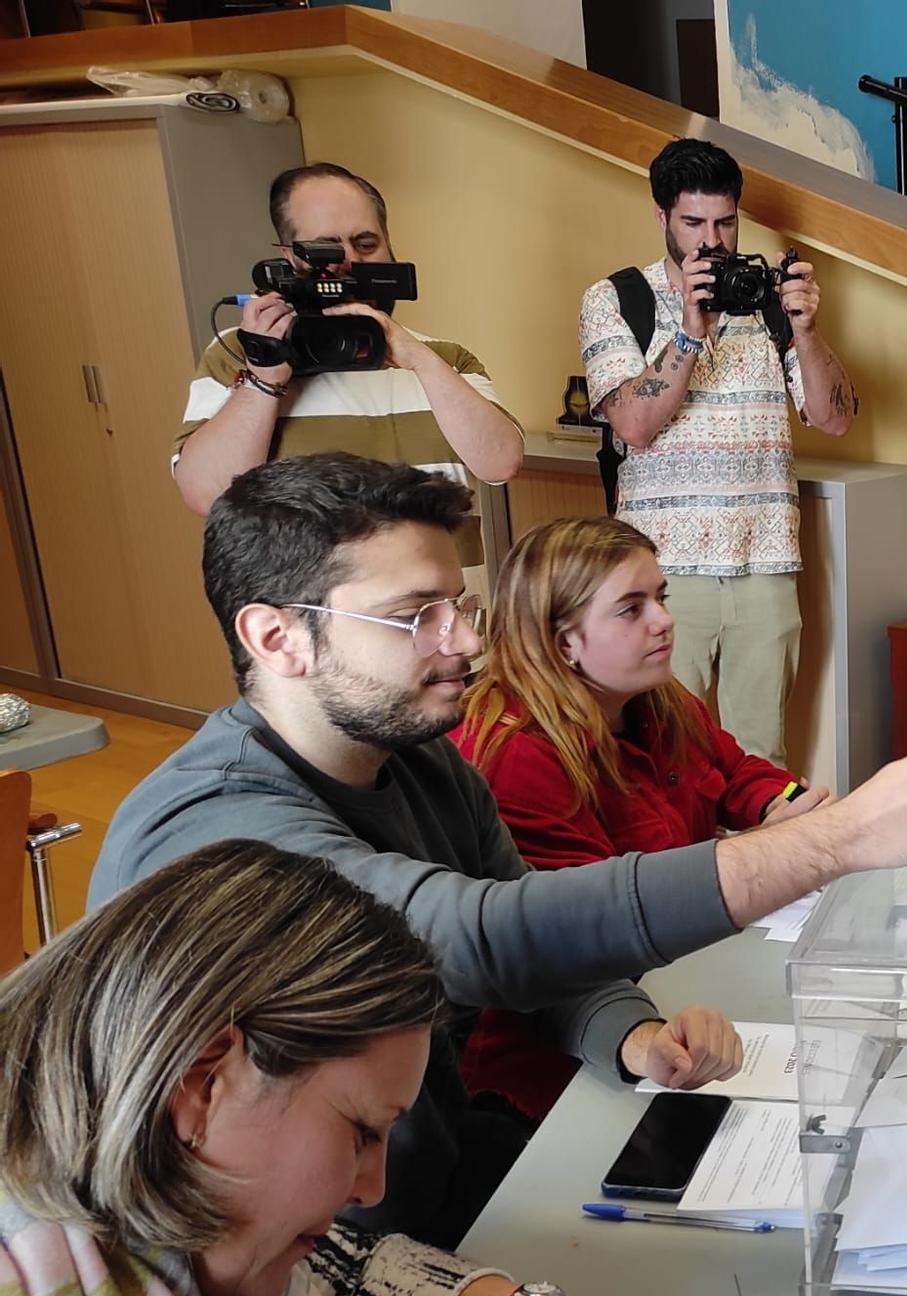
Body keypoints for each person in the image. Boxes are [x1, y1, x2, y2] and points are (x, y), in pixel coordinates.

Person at [91, 453, 907, 1247]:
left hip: (417, 1184)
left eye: (460, 605)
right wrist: (837, 840)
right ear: (276, 637)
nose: (468, 641)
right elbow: (474, 939)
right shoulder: (217, 823)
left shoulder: (426, 763)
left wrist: (629, 1032)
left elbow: (539, 963)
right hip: (300, 1246)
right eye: (416, 618)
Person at [0, 841, 691, 1296]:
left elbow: (341, 1274)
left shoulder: (180, 1229)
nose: (373, 1187)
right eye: (361, 1132)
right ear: (201, 1081)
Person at [450, 516, 833, 1121]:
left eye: (661, 597)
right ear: (561, 642)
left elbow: (733, 769)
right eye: (631, 609)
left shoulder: (656, 698)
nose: (664, 620)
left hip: (680, 982)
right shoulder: (516, 757)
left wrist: (781, 803)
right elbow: (585, 936)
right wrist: (765, 853)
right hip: (571, 1055)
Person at [582, 140, 856, 763]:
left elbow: (833, 418)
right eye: (693, 222)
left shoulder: (766, 298)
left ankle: (755, 864)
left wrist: (807, 330)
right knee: (664, 759)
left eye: (725, 221)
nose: (713, 240)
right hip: (662, 575)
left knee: (760, 760)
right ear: (661, 219)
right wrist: (689, 331)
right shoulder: (616, 298)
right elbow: (634, 424)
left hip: (766, 563)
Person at [171, 162, 524, 568]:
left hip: (441, 612)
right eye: (326, 249)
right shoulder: (235, 355)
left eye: (366, 243)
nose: (348, 264)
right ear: (288, 256)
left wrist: (418, 360)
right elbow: (207, 493)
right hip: (311, 611)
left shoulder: (444, 358)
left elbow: (501, 462)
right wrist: (264, 379)